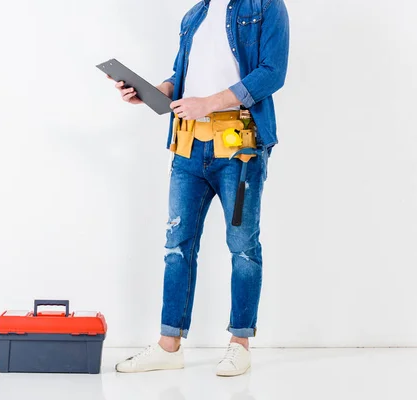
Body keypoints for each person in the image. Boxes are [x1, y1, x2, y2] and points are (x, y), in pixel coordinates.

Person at [109, 0, 290, 376]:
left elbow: (272, 72)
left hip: (239, 147)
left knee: (243, 247)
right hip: (188, 148)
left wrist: (209, 102)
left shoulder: (266, 5)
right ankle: (168, 345)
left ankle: (239, 343)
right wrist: (151, 92)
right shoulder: (195, 15)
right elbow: (181, 74)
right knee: (177, 245)